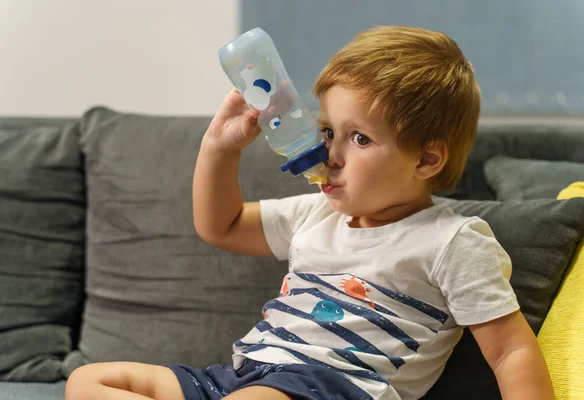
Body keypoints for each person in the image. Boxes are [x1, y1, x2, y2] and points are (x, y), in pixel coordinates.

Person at [64, 25, 554, 400]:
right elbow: (221, 225)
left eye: (359, 138)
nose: (330, 155)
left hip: (338, 386)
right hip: (245, 374)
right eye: (327, 133)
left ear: (426, 159)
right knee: (90, 381)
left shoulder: (453, 240)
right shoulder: (317, 213)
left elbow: (509, 349)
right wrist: (219, 149)